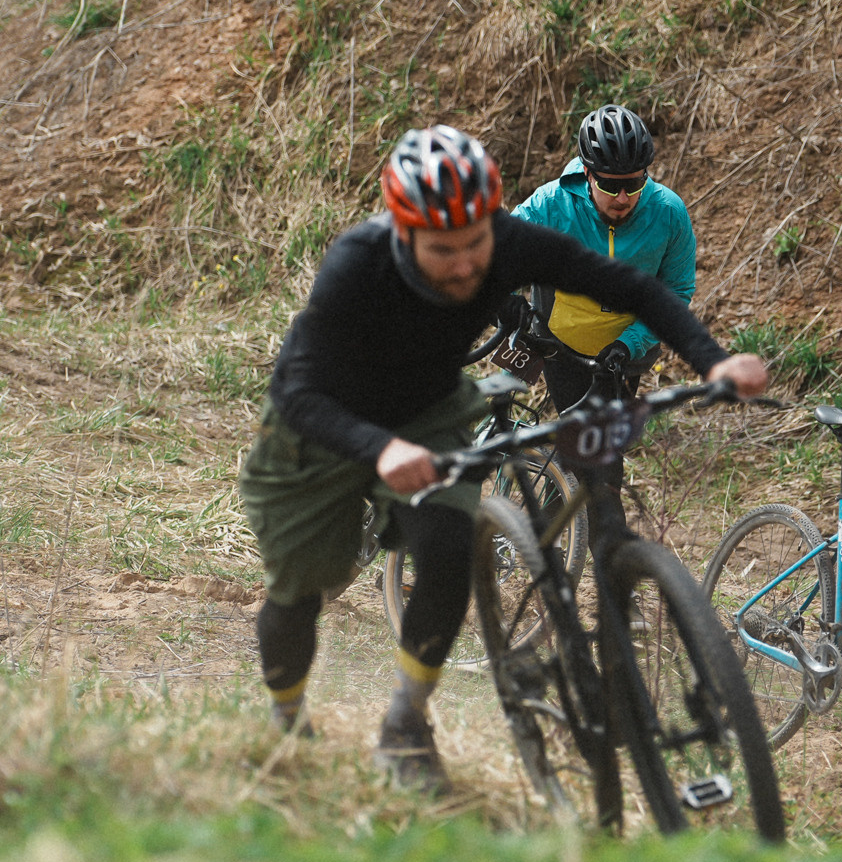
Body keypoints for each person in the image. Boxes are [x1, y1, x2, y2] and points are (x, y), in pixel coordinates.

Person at [239, 125, 768, 790]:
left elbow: (633, 289)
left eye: (475, 244)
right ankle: (286, 717)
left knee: (449, 549)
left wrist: (714, 360)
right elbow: (296, 390)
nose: (466, 265)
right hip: (325, 420)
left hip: (429, 410)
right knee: (301, 588)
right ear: (404, 234)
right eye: (443, 250)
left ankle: (406, 724)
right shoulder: (358, 265)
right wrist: (381, 448)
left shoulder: (509, 242)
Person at [510, 105, 697, 411]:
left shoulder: (668, 213)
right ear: (587, 173)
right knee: (577, 435)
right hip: (559, 345)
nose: (623, 198)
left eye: (634, 184)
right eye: (609, 185)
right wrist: (506, 303)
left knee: (606, 438)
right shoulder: (551, 204)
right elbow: (499, 248)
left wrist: (630, 344)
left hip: (623, 354)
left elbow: (676, 291)